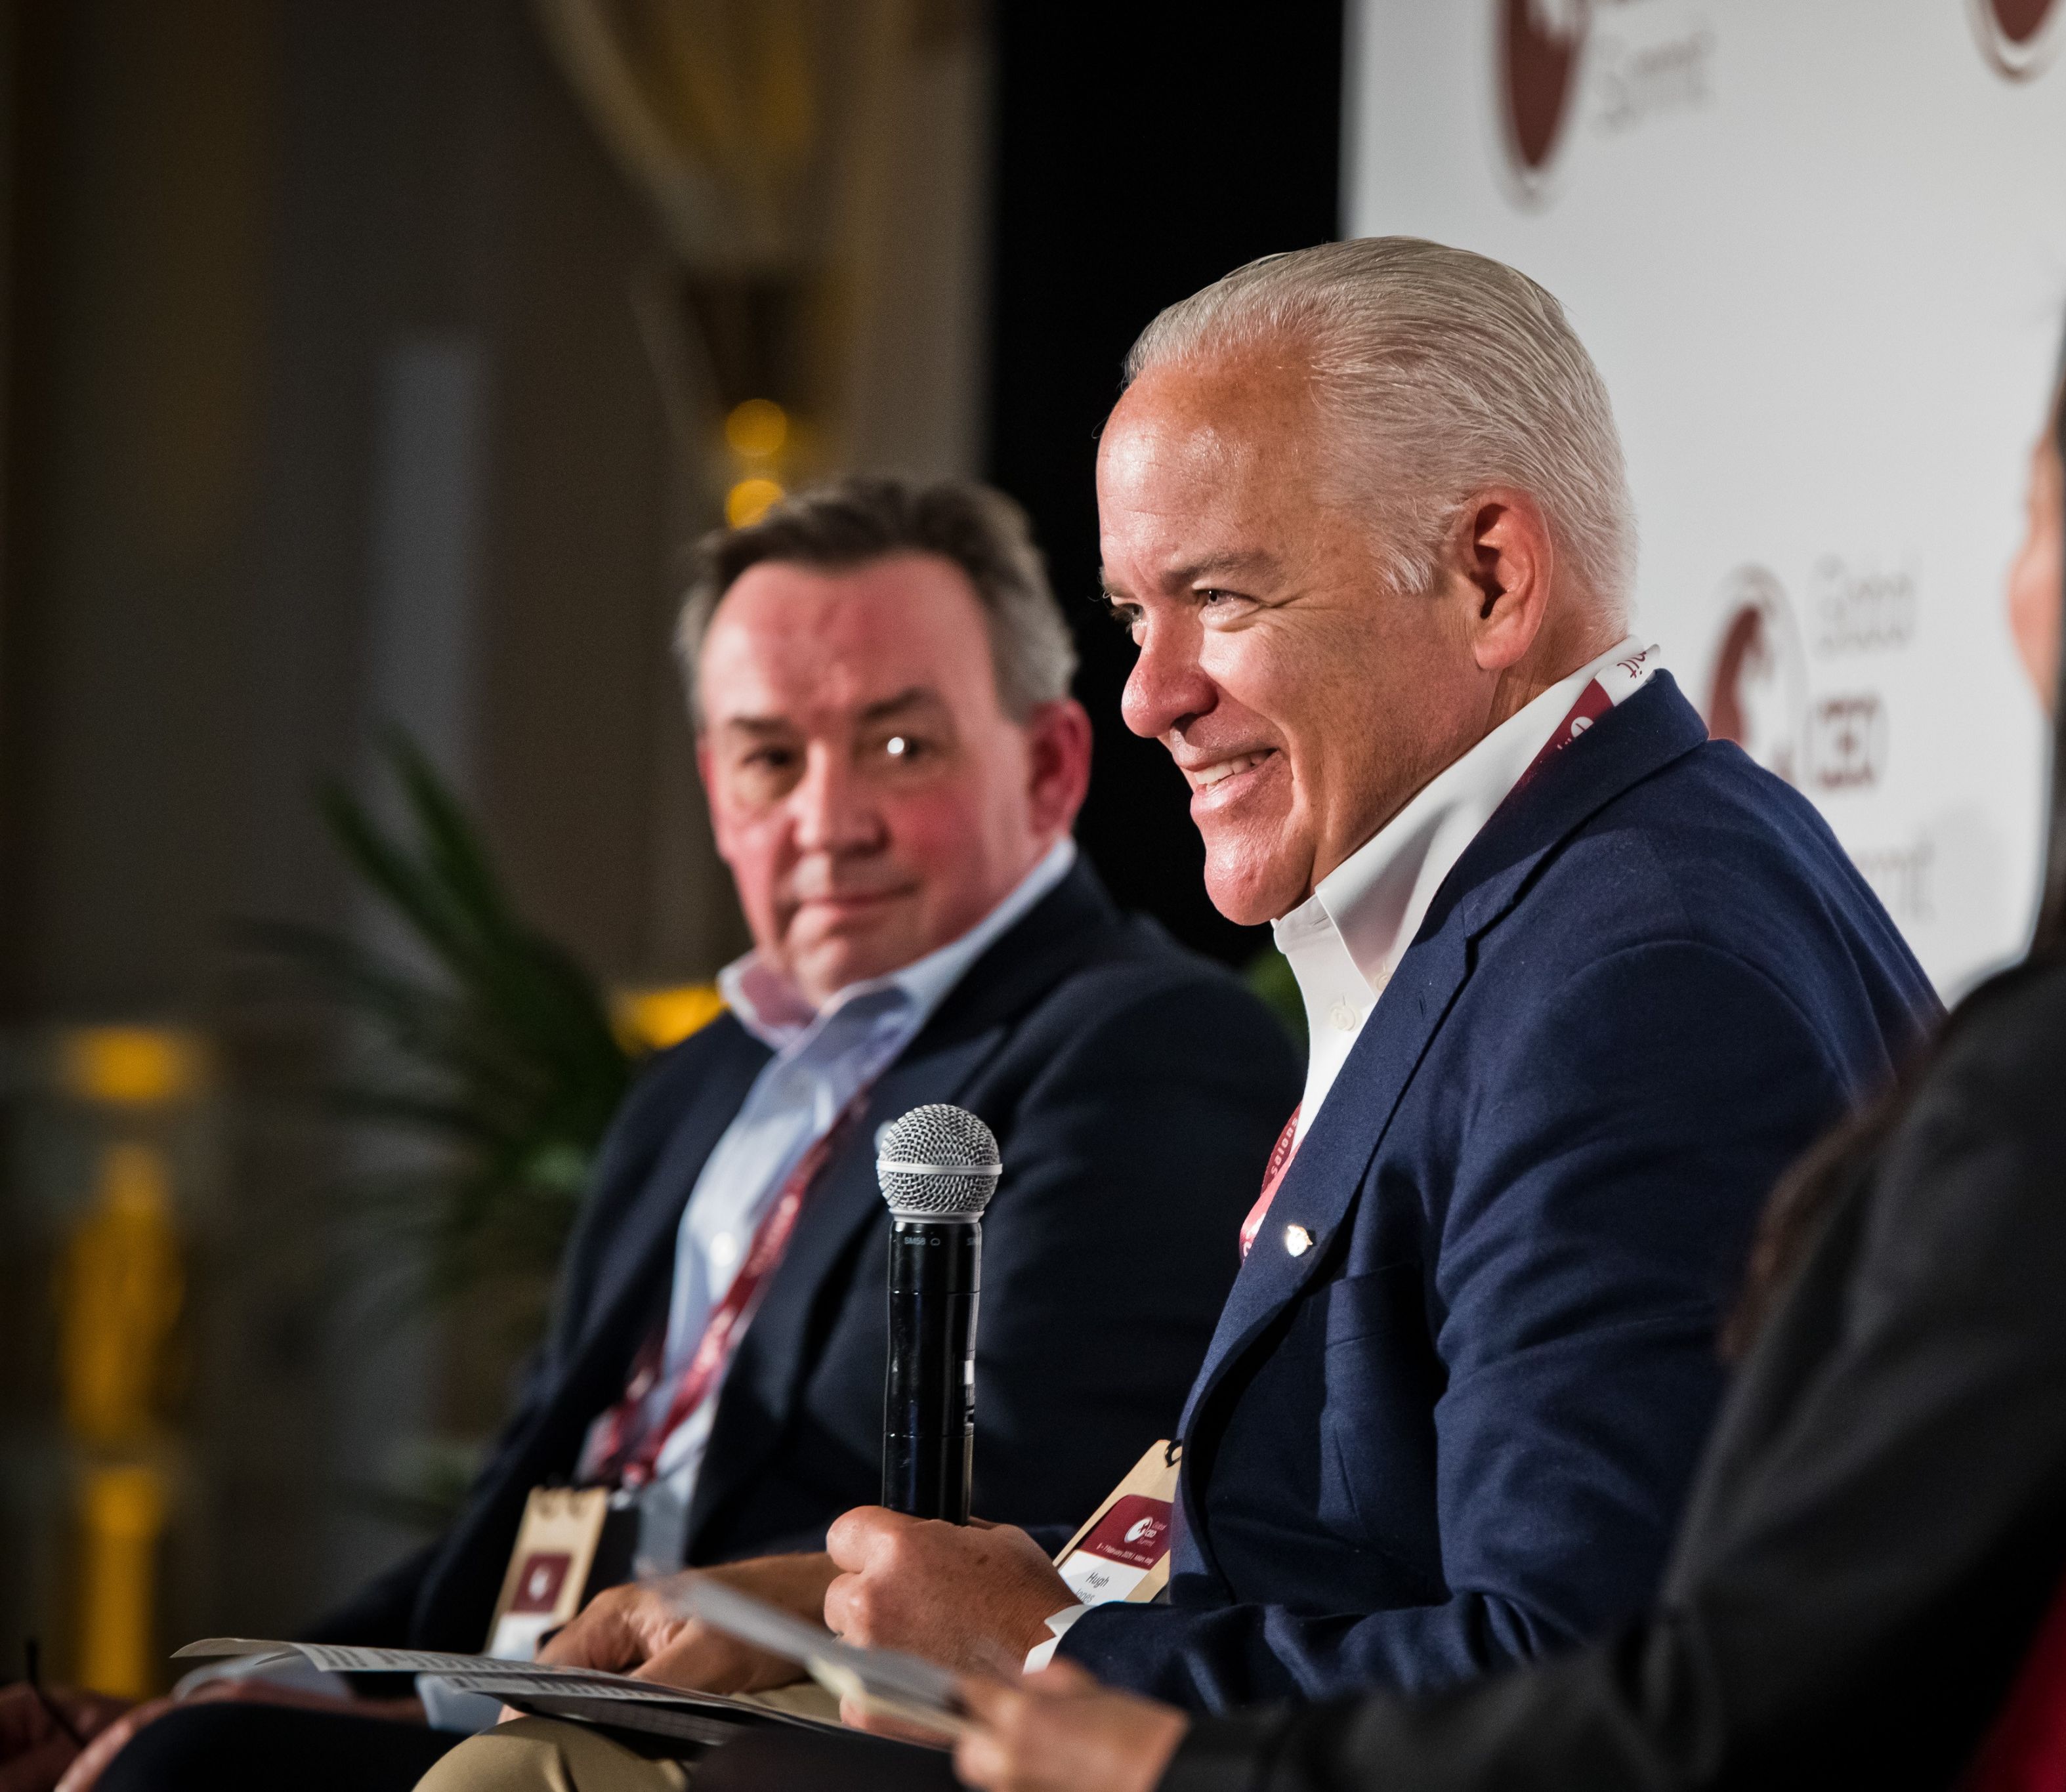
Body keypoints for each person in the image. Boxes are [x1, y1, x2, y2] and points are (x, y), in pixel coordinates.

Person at [915, 196, 2066, 1791]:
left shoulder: (2048, 1074)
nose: (1152, 693)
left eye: (2047, 500)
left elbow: (1702, 1715)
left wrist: (1129, 1726)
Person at [482, 236, 1933, 1783]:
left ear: (1490, 577)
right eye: (1129, 616)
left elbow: (1575, 1684)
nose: (1146, 693)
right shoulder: (1560, 894)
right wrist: (848, 1610)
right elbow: (1340, 1553)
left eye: (1218, 597)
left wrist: (1047, 1651)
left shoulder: (1633, 984)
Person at [24, 475, 1301, 1792]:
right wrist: (266, 1685)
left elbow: (1033, 1532)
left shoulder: (1145, 1044)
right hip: (518, 1698)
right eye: (769, 757)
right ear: (713, 785)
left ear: (1047, 767)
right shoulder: (691, 1085)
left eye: (898, 746)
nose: (825, 819)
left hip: (782, 1729)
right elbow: (525, 1506)